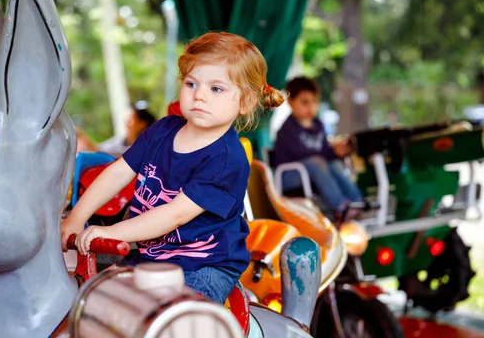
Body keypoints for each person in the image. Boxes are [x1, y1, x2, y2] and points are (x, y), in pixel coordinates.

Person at [61, 32, 285, 303]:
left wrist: (111, 232)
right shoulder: (163, 130)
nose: (199, 95)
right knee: (94, 302)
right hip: (152, 258)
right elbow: (118, 172)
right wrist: (76, 217)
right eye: (191, 83)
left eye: (216, 89)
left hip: (202, 269)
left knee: (158, 316)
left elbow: (175, 215)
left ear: (246, 102)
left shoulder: (226, 160)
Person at [274, 76, 363, 219]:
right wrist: (329, 152)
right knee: (316, 162)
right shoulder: (287, 130)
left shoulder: (318, 125)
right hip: (290, 174)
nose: (311, 107)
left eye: (314, 102)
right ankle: (340, 206)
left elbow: (325, 153)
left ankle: (358, 202)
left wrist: (336, 152)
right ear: (290, 102)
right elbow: (302, 154)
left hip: (313, 170)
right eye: (304, 102)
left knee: (334, 164)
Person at [77, 101, 157, 157]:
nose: (126, 123)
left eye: (130, 119)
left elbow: (101, 153)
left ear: (142, 124)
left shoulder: (142, 148)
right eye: (127, 119)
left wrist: (82, 136)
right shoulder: (121, 140)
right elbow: (100, 148)